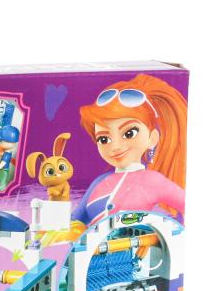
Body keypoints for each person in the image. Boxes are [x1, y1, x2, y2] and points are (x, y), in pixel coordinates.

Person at [73, 74, 186, 227]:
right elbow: (75, 220)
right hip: (94, 243)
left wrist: (164, 232)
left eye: (129, 133)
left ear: (152, 138)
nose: (116, 146)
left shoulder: (153, 181)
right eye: (104, 139)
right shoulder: (99, 182)